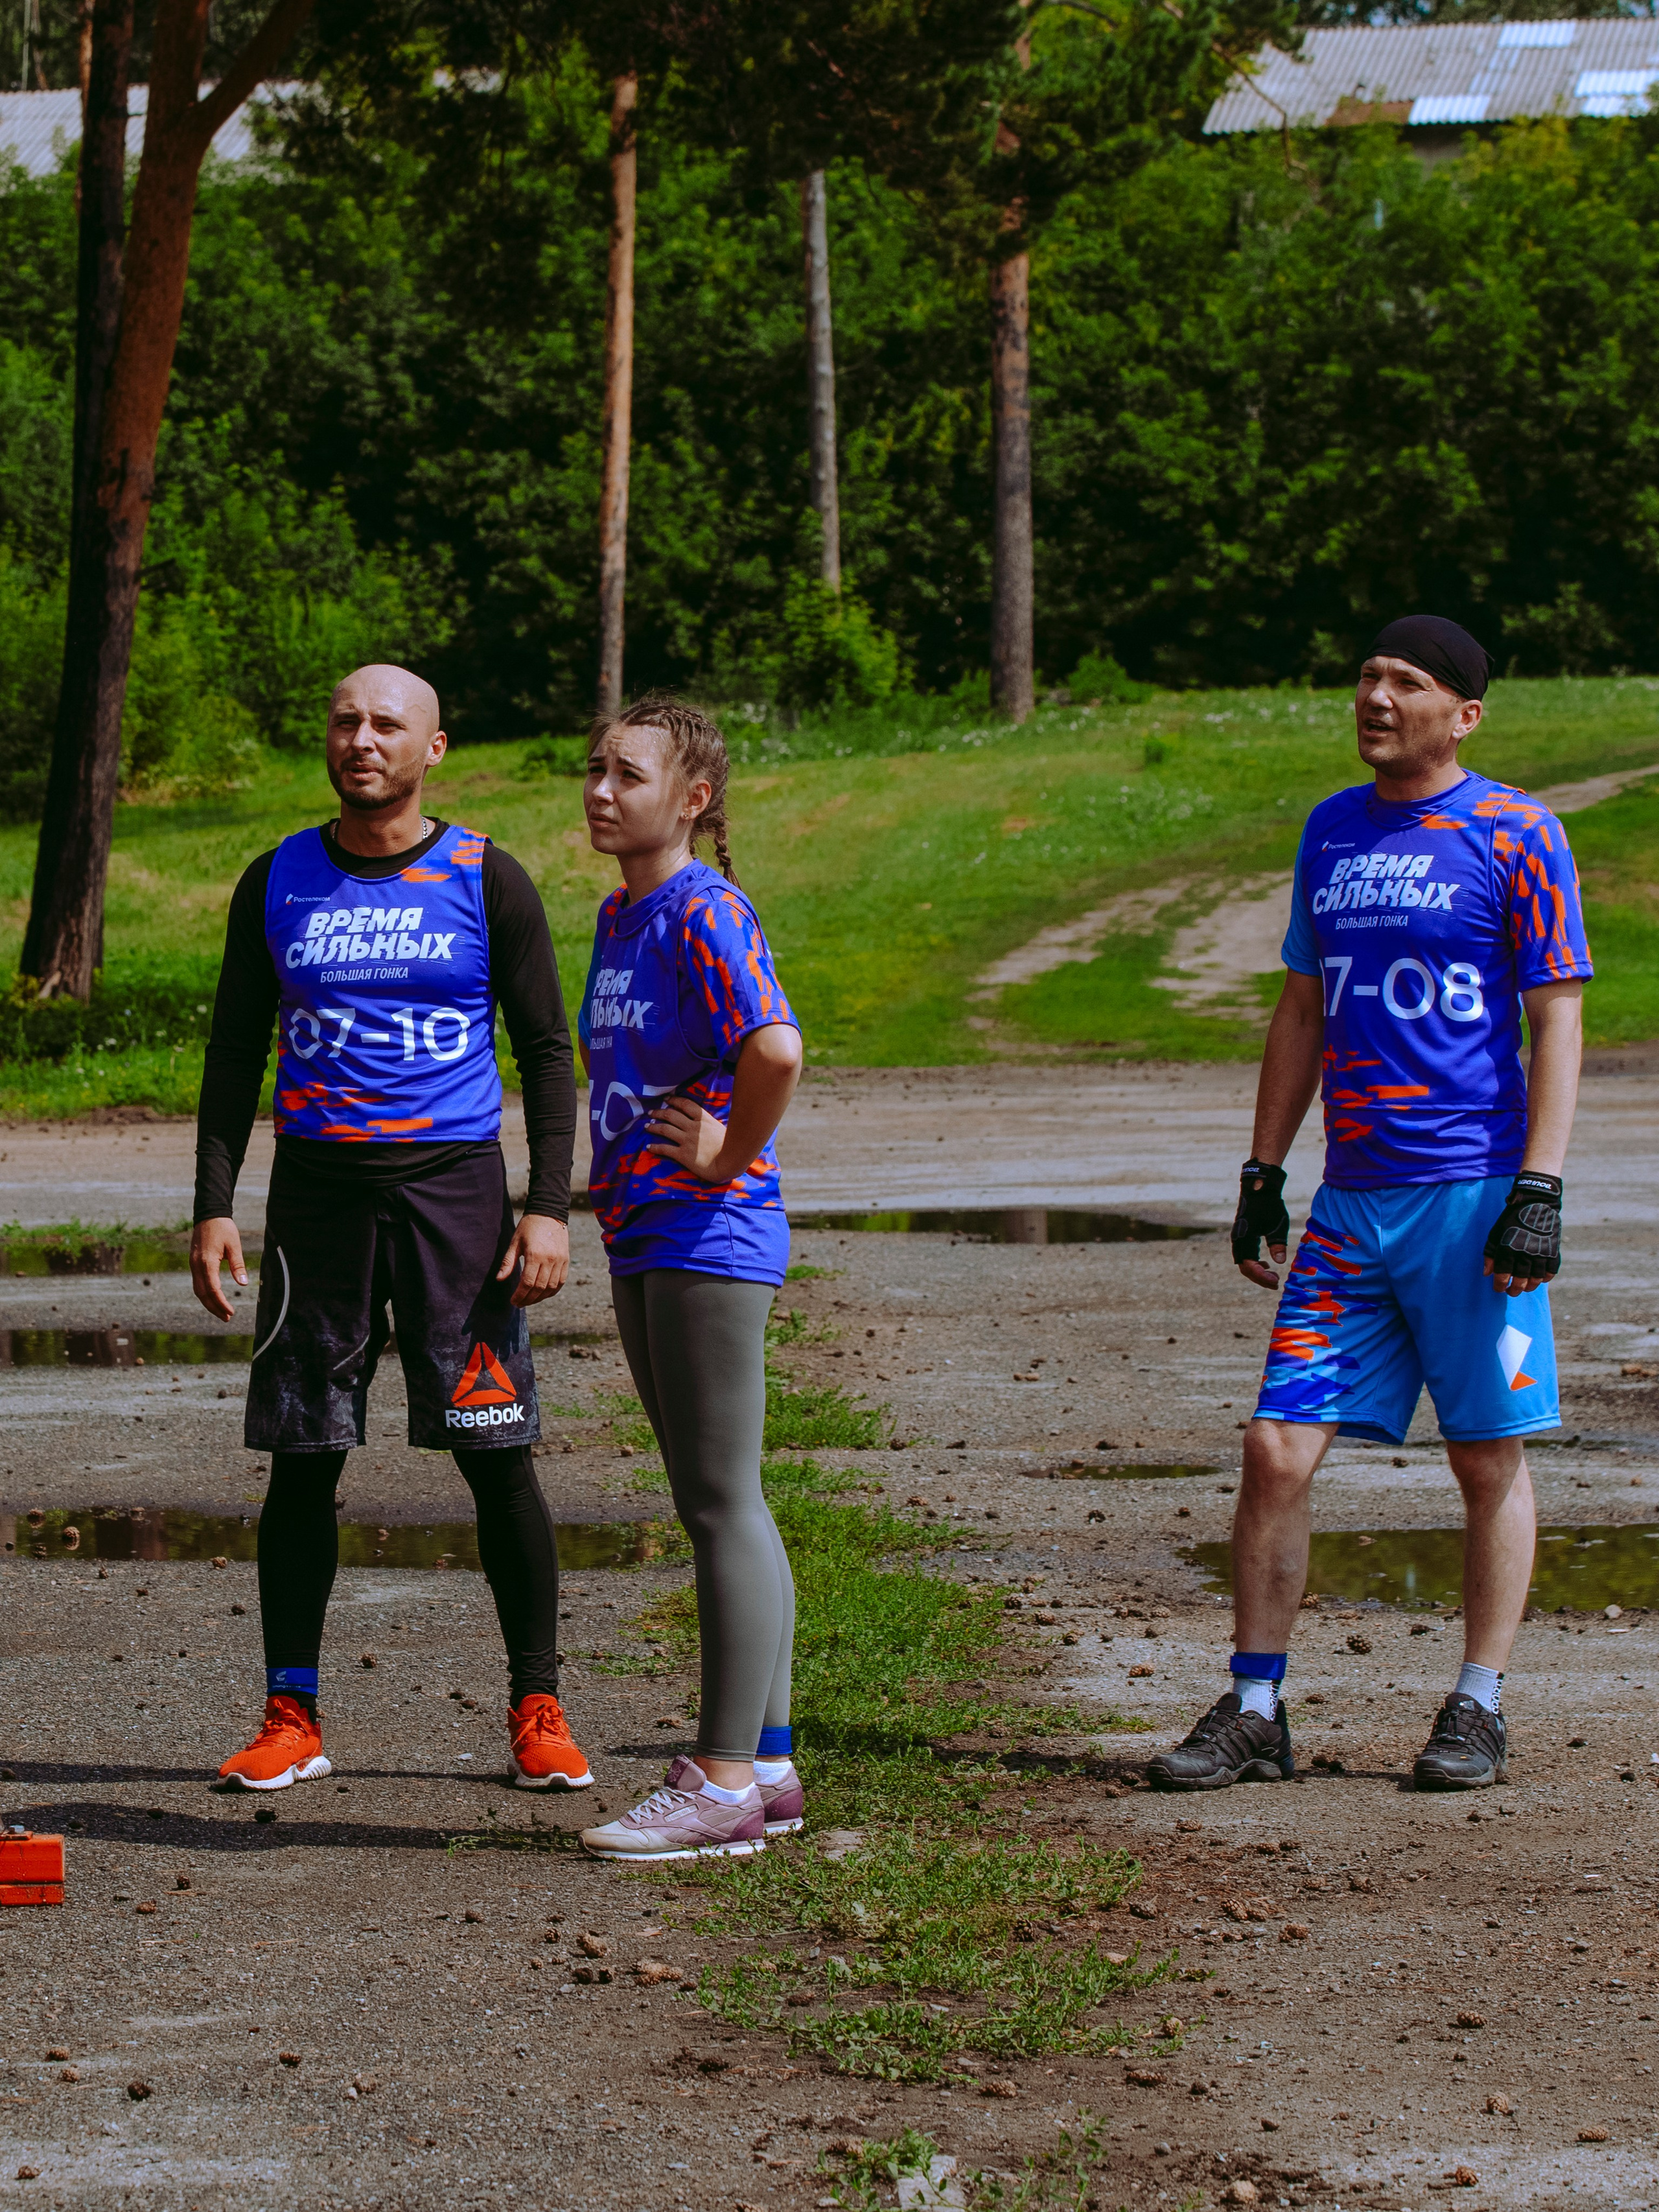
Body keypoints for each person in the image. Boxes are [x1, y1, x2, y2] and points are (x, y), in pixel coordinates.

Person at [1149, 614, 1592, 1795]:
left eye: (1406, 681)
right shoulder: (1332, 830)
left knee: (1485, 1458)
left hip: (1474, 1200)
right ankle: (1255, 1708)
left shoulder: (1518, 830)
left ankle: (1479, 1704)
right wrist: (1263, 1170)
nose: (1377, 697)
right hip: (1351, 1207)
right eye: (1366, 677)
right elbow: (1303, 1006)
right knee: (1274, 1448)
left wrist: (1540, 1188)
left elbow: (1556, 1017)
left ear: (1466, 714)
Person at [191, 664, 591, 1795]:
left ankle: (538, 1707)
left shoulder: (486, 876)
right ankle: (291, 1716)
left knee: (496, 1455)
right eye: (345, 721)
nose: (361, 739)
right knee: (302, 1459)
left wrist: (549, 1207)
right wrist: (214, 1201)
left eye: (385, 724)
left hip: (455, 1200)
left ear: (434, 747)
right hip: (316, 1202)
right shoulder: (276, 877)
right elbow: (234, 1050)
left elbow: (546, 1051)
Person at [570, 697, 804, 1863]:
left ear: (693, 797)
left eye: (628, 773)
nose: (600, 790)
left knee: (718, 1501)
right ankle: (769, 1760)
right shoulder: (622, 916)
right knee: (724, 1497)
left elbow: (776, 1047)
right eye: (594, 769)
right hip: (646, 1230)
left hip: (708, 1230)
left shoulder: (704, 910)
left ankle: (720, 1782)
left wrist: (725, 1151)